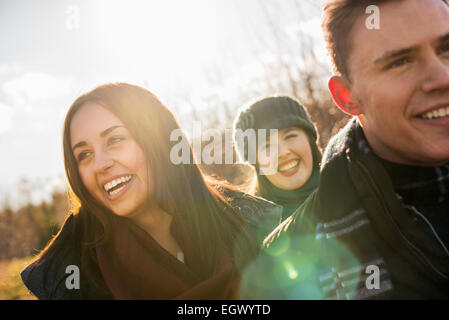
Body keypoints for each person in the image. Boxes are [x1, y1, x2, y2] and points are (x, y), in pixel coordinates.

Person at [20, 83, 282, 299]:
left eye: (115, 140)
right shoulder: (70, 277)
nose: (100, 164)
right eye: (84, 154)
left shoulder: (252, 222)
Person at [263, 0, 449, 299]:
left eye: (446, 48)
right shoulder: (290, 262)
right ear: (347, 96)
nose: (443, 77)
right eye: (400, 62)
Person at [233, 96, 321, 219]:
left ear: (310, 140)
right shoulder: (250, 228)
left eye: (290, 136)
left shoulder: (353, 185)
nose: (283, 152)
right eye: (267, 146)